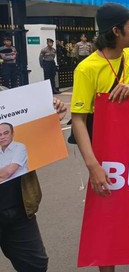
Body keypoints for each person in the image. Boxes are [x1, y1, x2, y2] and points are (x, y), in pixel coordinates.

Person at [70, 2, 129, 272]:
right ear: (116, 31)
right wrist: (93, 166)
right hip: (105, 154)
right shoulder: (87, 69)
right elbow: (78, 119)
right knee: (107, 218)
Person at [0, 96, 67, 272]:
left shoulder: (9, 96)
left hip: (19, 208)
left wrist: (50, 117)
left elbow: (32, 144)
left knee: (35, 265)